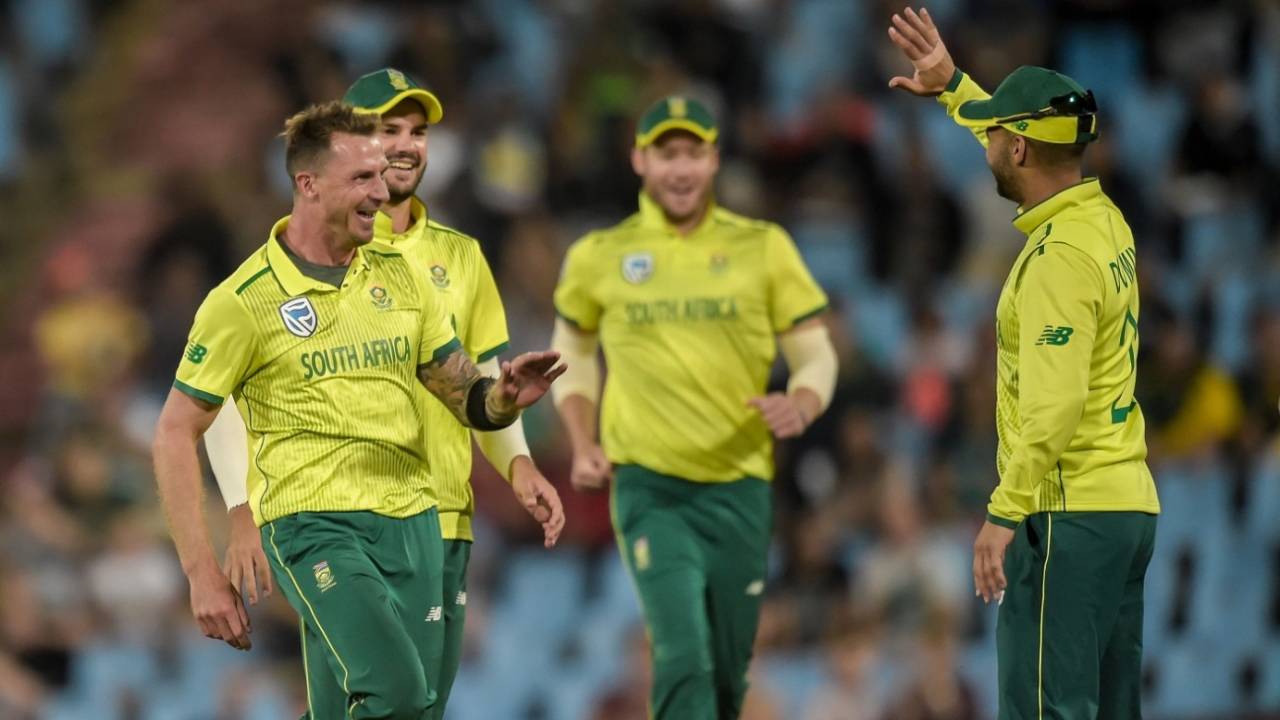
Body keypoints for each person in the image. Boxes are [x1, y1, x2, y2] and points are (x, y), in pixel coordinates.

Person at [153, 100, 564, 719]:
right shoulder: (243, 301)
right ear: (308, 184)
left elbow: (465, 396)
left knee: (403, 709)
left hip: (415, 523)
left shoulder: (402, 278)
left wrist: (503, 397)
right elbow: (174, 432)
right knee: (395, 694)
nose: (383, 189)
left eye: (382, 174)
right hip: (315, 526)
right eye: (364, 178)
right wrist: (200, 569)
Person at [887, 7, 1160, 719]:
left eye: (996, 135)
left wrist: (1003, 513)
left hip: (1066, 516)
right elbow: (1012, 131)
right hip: (1122, 505)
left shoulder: (1057, 261)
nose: (986, 146)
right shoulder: (1100, 220)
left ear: (1018, 151)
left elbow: (1056, 404)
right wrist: (953, 87)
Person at [551, 95, 839, 719]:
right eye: (665, 154)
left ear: (714, 160)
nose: (679, 169)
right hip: (651, 488)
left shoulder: (763, 248)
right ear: (639, 160)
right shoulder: (599, 256)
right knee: (681, 653)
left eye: (693, 153)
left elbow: (817, 353)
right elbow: (569, 350)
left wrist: (804, 400)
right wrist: (581, 438)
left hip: (740, 487)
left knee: (731, 673)